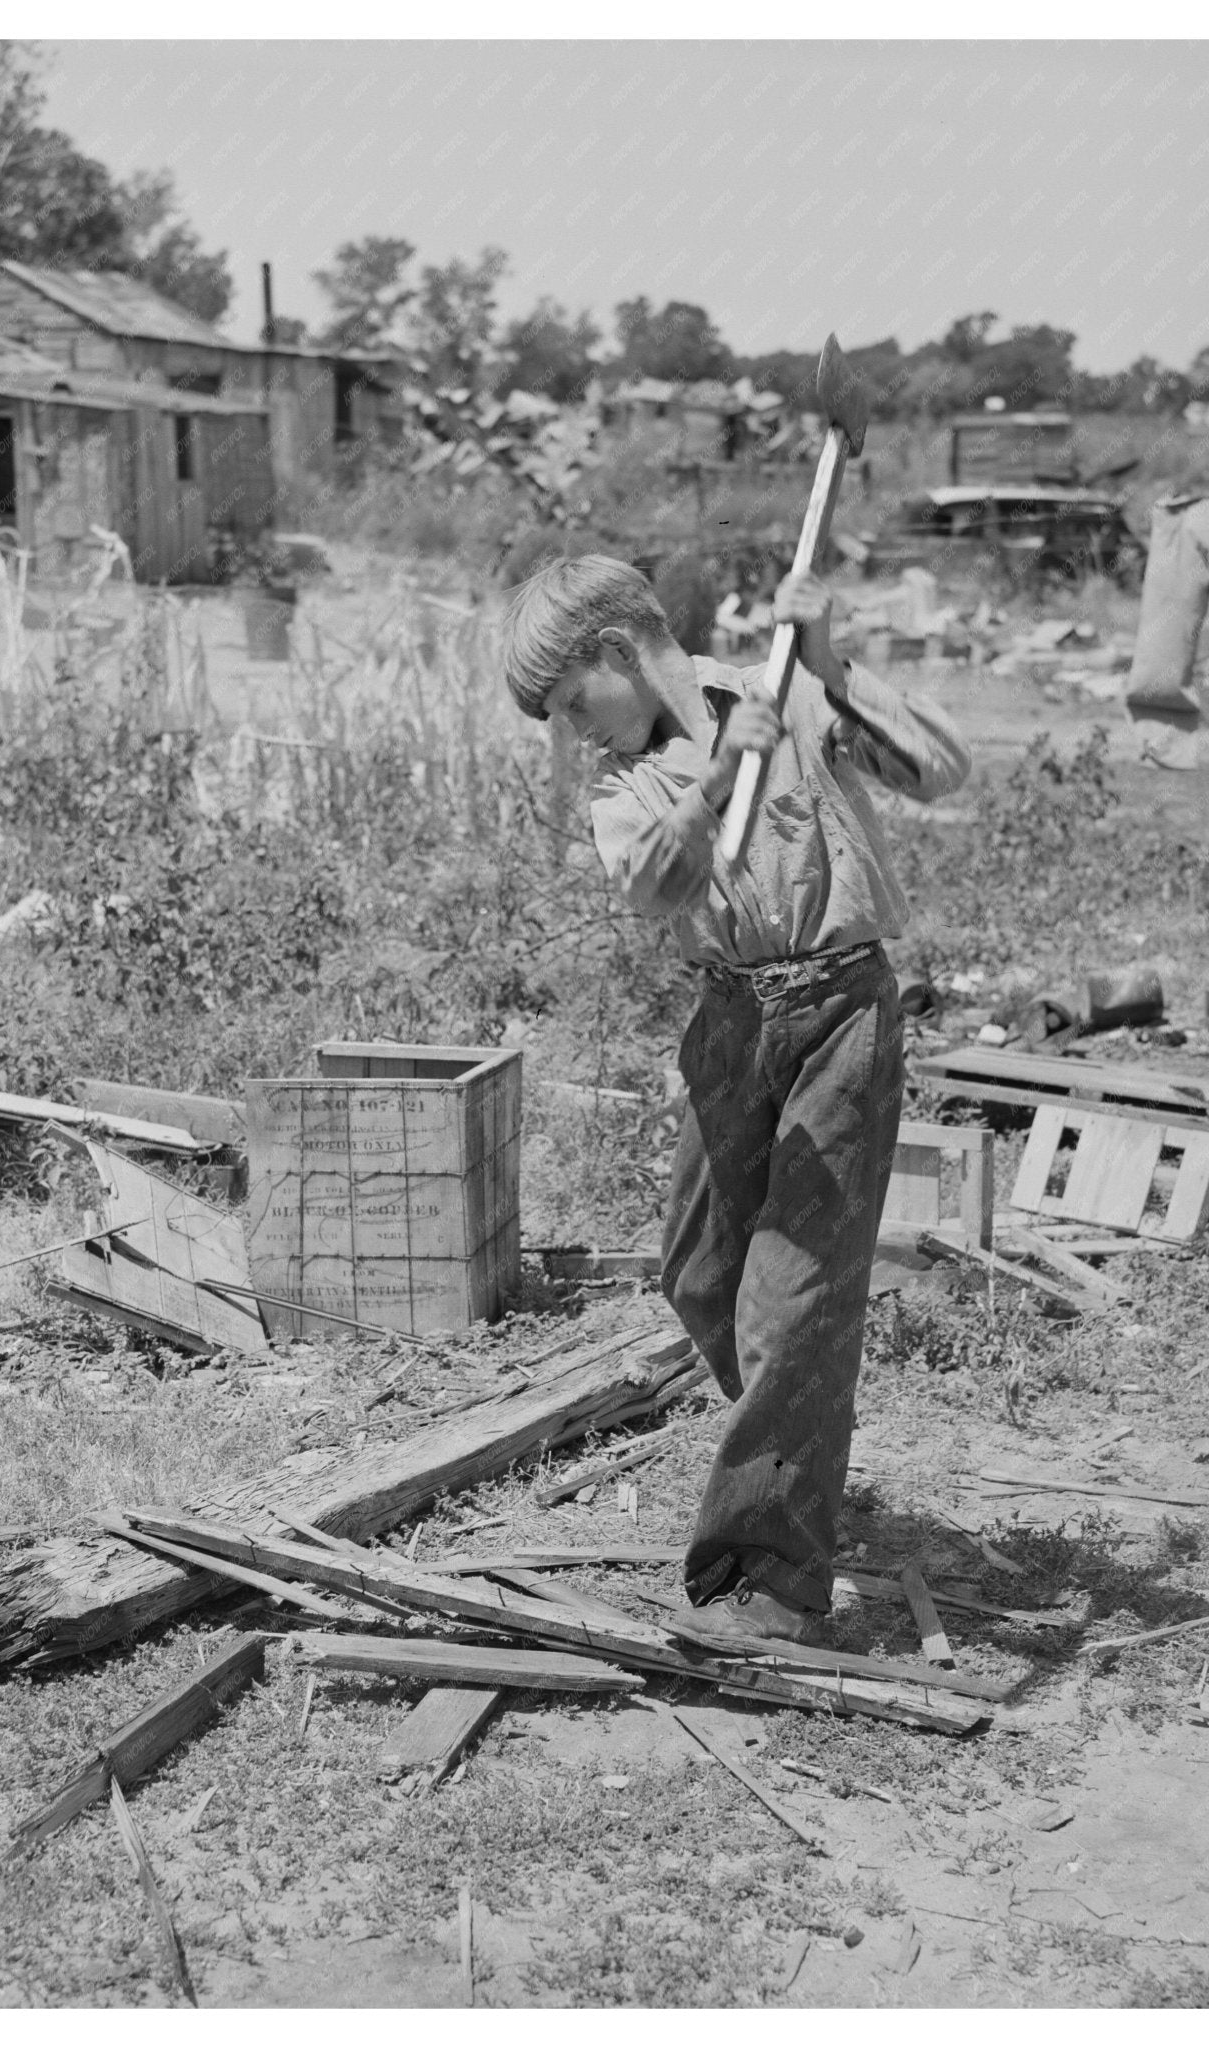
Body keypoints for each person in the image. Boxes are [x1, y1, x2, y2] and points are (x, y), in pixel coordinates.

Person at [501, 554, 970, 1647]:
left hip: (840, 1012)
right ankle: (797, 1437)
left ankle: (766, 1580)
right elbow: (650, 888)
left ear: (618, 651)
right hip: (729, 1021)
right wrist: (719, 781)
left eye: (576, 702)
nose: (577, 733)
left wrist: (833, 658)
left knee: (792, 1302)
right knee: (704, 1276)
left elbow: (941, 766)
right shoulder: (622, 780)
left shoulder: (790, 691)